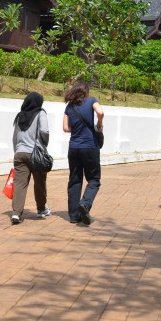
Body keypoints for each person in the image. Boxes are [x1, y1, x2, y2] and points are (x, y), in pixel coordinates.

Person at [63, 81, 104, 225]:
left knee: (75, 180)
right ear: (85, 91)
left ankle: (74, 216)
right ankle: (85, 204)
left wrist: (77, 128)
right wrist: (99, 124)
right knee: (94, 179)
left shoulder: (69, 107)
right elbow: (100, 112)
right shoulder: (92, 101)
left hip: (73, 147)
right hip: (89, 147)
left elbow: (65, 128)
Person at [10, 92, 50, 224]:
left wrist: (17, 151)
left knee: (20, 184)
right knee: (39, 182)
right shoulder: (41, 113)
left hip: (20, 154)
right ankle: (41, 209)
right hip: (35, 154)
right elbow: (44, 131)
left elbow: (15, 137)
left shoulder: (19, 116)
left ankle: (16, 213)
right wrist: (43, 145)